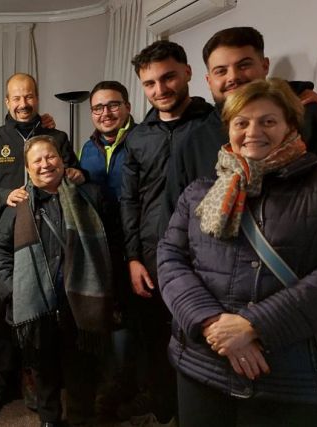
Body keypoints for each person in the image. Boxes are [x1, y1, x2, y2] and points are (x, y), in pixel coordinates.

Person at [158, 78, 317, 427]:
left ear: (290, 125)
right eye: (242, 122)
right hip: (203, 363)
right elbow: (170, 259)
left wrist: (253, 325)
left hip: (292, 373)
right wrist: (212, 323)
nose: (253, 131)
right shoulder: (200, 190)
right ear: (229, 128)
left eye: (268, 121)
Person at [0, 72, 82, 420]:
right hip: (6, 246)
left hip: (49, 248)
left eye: (28, 96)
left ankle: (34, 380)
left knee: (43, 322)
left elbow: (72, 174)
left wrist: (78, 174)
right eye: (16, 98)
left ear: (37, 97)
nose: (23, 103)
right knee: (2, 322)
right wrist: (6, 197)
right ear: (6, 101)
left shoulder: (57, 137)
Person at [119, 40, 214, 422]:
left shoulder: (216, 124)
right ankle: (163, 409)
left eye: (168, 77)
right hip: (153, 257)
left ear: (188, 73)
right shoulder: (138, 136)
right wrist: (133, 258)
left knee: (202, 339)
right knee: (156, 340)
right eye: (150, 83)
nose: (160, 90)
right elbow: (130, 201)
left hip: (207, 256)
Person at [0, 135, 112, 427]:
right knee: (44, 372)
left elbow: (110, 245)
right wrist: (13, 293)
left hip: (79, 306)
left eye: (51, 157)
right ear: (28, 170)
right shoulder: (18, 205)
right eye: (37, 161)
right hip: (37, 308)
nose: (45, 164)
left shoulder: (90, 196)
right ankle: (50, 420)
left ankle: (82, 418)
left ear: (62, 160)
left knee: (82, 370)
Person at [167, 26, 317, 211]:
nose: (233, 77)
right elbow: (174, 220)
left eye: (244, 65)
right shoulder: (192, 144)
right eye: (221, 71)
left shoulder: (312, 120)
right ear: (209, 81)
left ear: (264, 66)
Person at [78, 80, 138, 418]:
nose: (106, 113)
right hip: (99, 245)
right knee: (107, 312)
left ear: (127, 107)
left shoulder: (143, 141)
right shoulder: (88, 147)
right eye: (98, 108)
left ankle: (127, 389)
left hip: (134, 244)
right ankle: (111, 381)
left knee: (130, 318)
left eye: (113, 105)